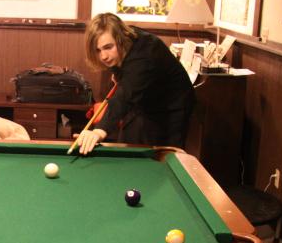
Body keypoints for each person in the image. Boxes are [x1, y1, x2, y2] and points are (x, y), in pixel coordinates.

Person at [75, 13, 195, 155]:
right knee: (127, 145)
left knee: (164, 154)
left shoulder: (145, 53)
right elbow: (127, 86)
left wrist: (99, 131)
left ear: (120, 39)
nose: (103, 56)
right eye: (97, 50)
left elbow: (125, 95)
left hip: (172, 105)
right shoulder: (123, 41)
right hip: (143, 100)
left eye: (108, 47)